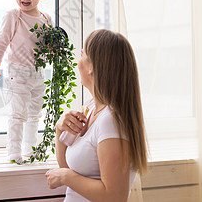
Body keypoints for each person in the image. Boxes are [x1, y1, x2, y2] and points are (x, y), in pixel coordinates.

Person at [45, 29, 148, 201]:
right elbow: (67, 166)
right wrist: (59, 129)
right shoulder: (91, 107)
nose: (78, 62)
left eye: (82, 54)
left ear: (91, 67)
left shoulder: (111, 121)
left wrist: (66, 177)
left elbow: (115, 196)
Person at [0, 0, 52, 163]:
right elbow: (1, 41)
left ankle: (31, 148)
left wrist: (54, 51)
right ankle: (13, 150)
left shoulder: (46, 19)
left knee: (35, 114)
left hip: (39, 74)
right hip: (19, 73)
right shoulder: (14, 16)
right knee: (18, 114)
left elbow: (48, 46)